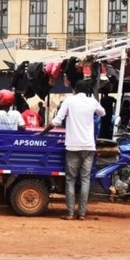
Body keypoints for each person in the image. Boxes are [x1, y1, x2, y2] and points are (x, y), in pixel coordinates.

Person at [39, 79, 105, 220]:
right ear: (87, 90)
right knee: (85, 180)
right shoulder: (92, 101)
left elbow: (56, 121)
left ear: (74, 89)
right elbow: (102, 113)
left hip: (73, 146)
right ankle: (81, 213)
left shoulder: (69, 101)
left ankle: (69, 213)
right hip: (88, 146)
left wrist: (42, 133)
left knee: (70, 179)